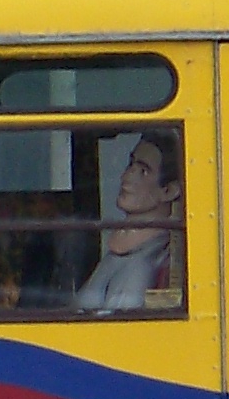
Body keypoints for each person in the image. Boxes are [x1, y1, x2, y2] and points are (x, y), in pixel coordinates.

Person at [75, 130, 182, 314]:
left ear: (168, 191)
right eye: (130, 165)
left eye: (143, 171)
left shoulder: (153, 260)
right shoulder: (117, 252)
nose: (126, 177)